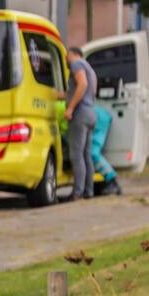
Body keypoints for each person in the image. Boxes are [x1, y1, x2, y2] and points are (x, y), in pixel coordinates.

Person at [63, 46, 97, 201]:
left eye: (65, 57)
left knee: (76, 155)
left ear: (71, 54)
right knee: (86, 154)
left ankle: (77, 193)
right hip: (91, 112)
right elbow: (81, 89)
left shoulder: (76, 64)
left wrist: (70, 108)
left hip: (80, 114)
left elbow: (81, 85)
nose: (65, 60)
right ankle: (89, 191)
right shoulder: (89, 67)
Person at [91, 104, 122, 196]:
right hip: (98, 116)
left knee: (93, 153)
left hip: (98, 120)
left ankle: (113, 182)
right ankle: (100, 184)